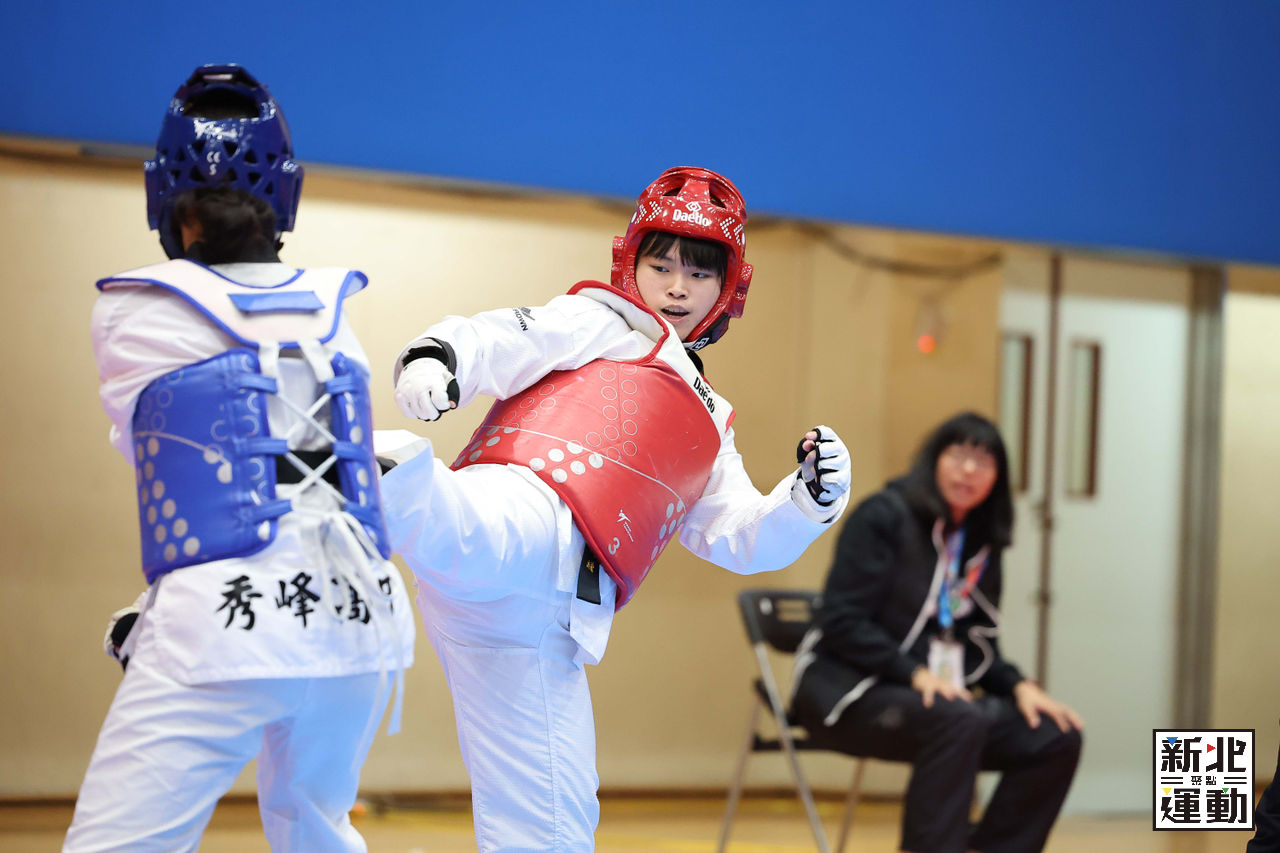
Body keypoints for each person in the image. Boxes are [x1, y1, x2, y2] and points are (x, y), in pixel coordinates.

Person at [381, 166, 852, 852]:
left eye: (699, 273)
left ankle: (399, 489)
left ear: (729, 289)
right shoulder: (604, 321)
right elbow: (511, 335)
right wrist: (439, 356)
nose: (677, 287)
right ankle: (396, 481)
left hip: (549, 625)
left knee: (554, 821)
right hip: (529, 512)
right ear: (630, 264)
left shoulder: (710, 422)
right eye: (661, 266)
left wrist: (807, 502)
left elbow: (736, 534)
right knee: (494, 529)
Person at [65, 64, 415, 852]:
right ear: (284, 193)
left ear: (166, 197)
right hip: (361, 626)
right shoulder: (336, 311)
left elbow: (182, 467)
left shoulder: (132, 310)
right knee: (316, 833)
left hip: (224, 630)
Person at [791, 412, 1082, 853]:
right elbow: (841, 621)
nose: (969, 470)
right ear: (934, 460)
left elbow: (976, 644)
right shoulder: (883, 515)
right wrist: (914, 673)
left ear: (998, 478)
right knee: (959, 719)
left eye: (983, 461)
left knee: (1054, 735)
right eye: (959, 455)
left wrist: (1018, 685)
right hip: (847, 694)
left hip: (939, 703)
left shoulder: (980, 543)